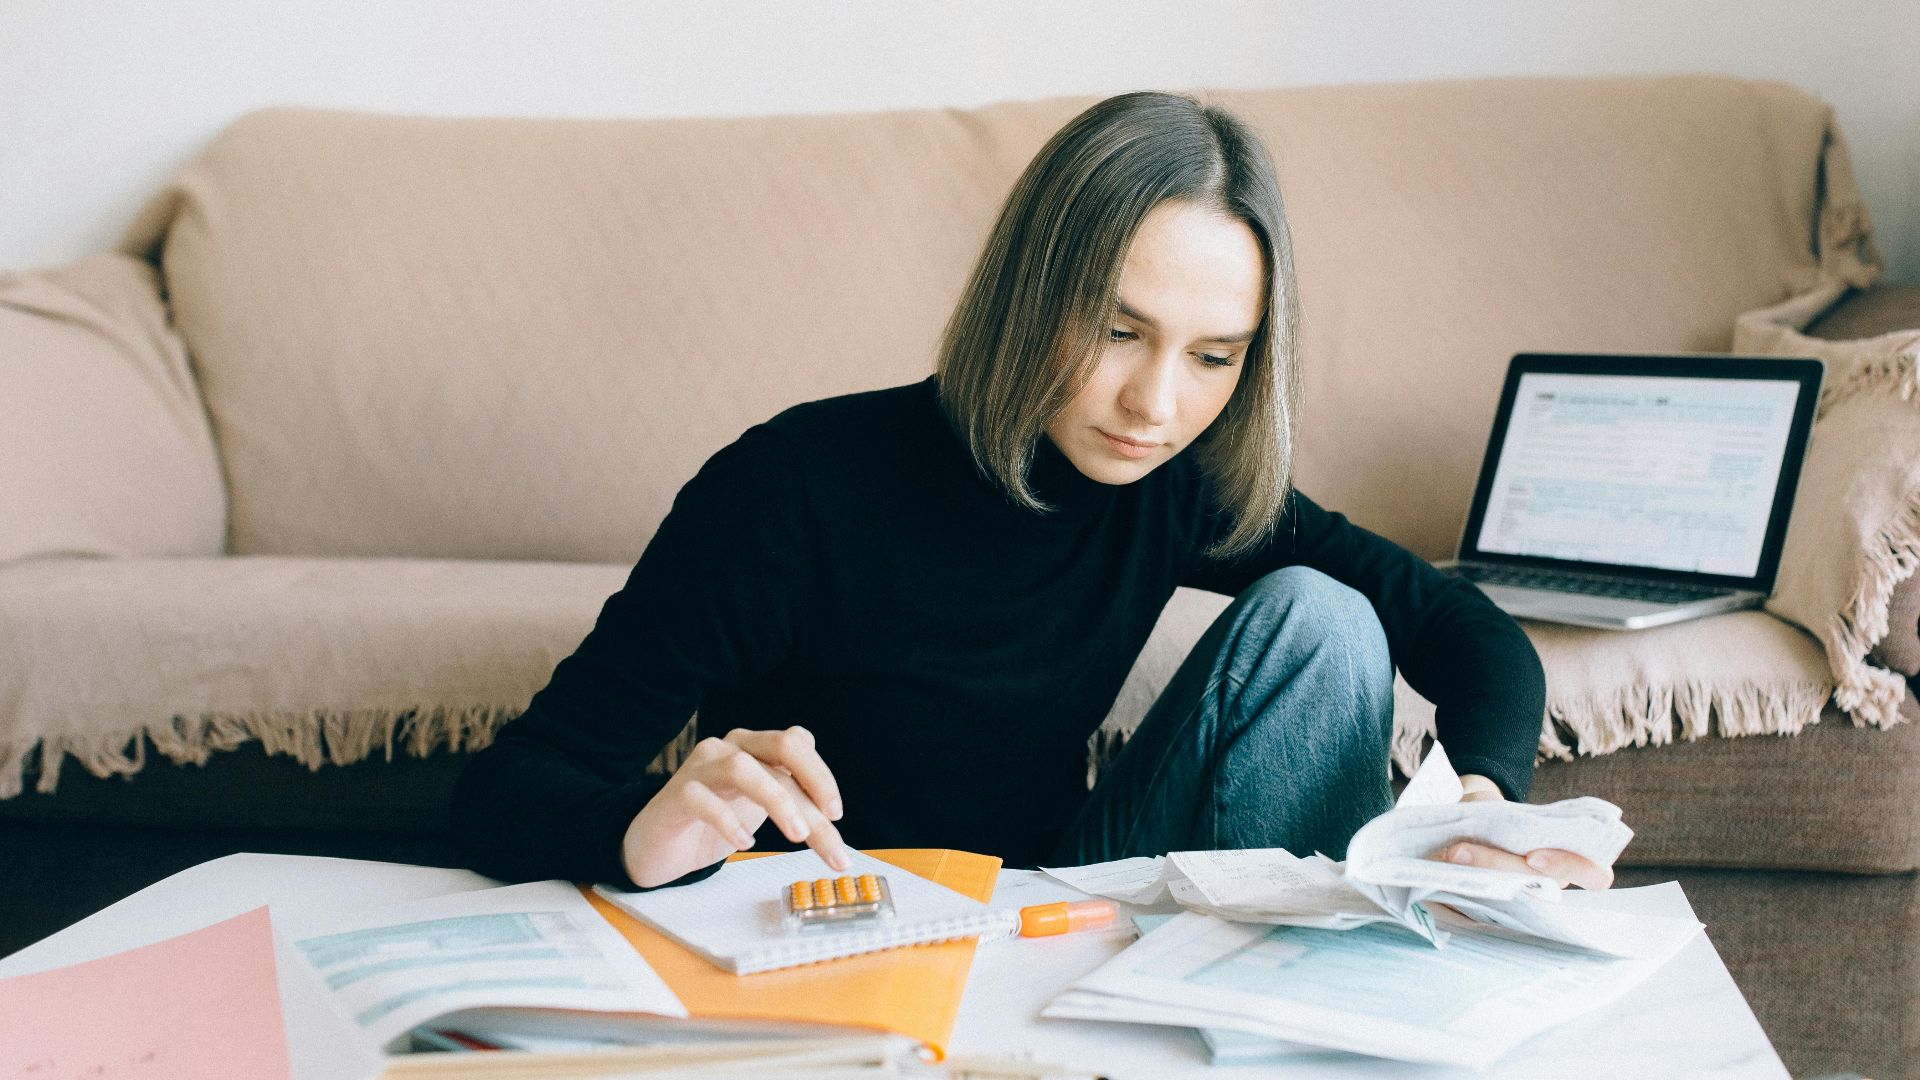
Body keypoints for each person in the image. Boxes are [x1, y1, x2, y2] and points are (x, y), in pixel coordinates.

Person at [451, 91, 1612, 895]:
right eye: (1117, 329)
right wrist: (644, 830)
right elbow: (511, 787)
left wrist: (1478, 801)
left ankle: (1293, 1022)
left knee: (1326, 618)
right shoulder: (790, 487)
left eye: (1214, 356)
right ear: (1029, 290)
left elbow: (1465, 632)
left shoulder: (1178, 481)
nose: (1155, 404)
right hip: (824, 922)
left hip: (1062, 900)